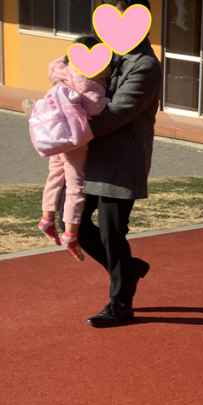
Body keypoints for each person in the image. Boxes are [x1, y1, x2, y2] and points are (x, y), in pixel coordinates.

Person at [78, 0, 162, 328]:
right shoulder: (108, 54)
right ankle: (128, 270)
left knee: (112, 234)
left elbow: (116, 114)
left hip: (122, 163)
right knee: (75, 224)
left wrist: (67, 131)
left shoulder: (145, 66)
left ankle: (121, 304)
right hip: (92, 158)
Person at [30, 37, 113, 261]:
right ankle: (70, 232)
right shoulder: (88, 82)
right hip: (72, 138)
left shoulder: (60, 69)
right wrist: (108, 100)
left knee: (55, 175)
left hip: (55, 132)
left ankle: (47, 218)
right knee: (76, 184)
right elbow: (94, 106)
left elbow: (58, 63)